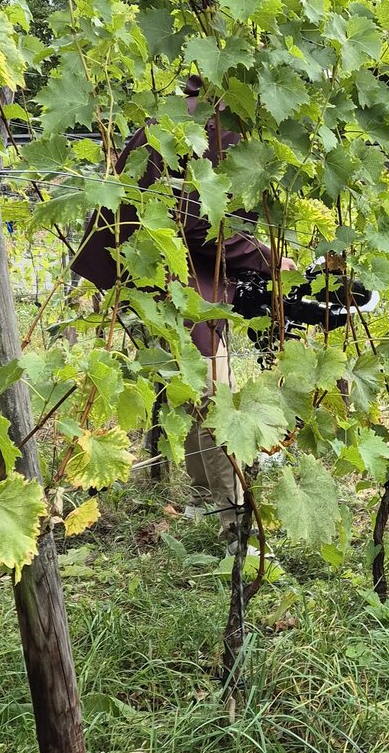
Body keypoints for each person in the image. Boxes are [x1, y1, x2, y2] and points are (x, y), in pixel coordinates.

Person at [72, 80, 287, 534]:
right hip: (174, 270)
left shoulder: (181, 108)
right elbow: (201, 225)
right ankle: (234, 521)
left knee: (191, 383)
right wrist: (267, 259)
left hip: (147, 266)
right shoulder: (217, 124)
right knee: (215, 390)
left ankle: (206, 499)